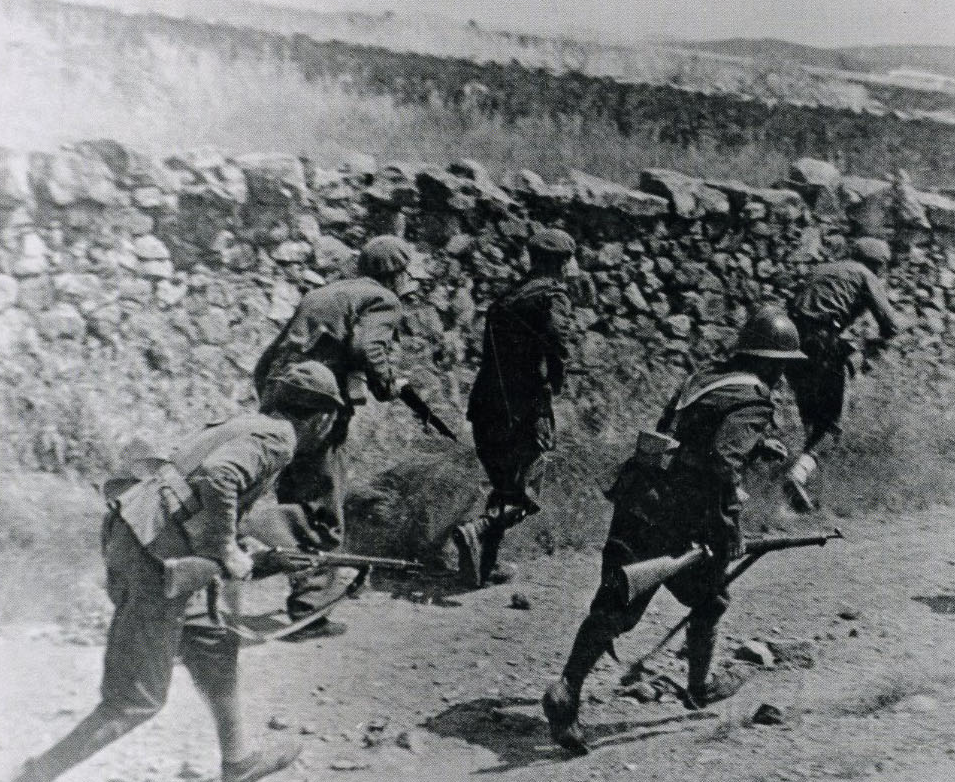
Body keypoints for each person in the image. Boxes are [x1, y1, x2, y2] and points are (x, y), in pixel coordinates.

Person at [0, 362, 344, 782]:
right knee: (135, 700)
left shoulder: (246, 425)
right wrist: (227, 549)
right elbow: (220, 478)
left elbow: (194, 494)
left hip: (143, 541)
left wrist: (253, 550)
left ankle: (238, 763)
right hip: (154, 560)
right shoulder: (280, 440)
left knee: (212, 641)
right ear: (322, 418)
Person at [542, 306, 804, 755]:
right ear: (769, 362)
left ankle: (567, 688)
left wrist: (757, 443)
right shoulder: (753, 401)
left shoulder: (707, 378)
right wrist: (728, 528)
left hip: (641, 496)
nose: (782, 376)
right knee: (710, 599)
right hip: (682, 517)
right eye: (780, 365)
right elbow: (723, 463)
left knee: (617, 603)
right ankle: (700, 687)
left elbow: (688, 432)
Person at [253, 235, 446, 638]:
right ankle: (310, 610)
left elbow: (268, 358)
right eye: (408, 275)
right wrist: (388, 383)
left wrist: (274, 401)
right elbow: (366, 348)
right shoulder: (382, 299)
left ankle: (294, 574)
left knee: (295, 493)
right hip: (319, 404)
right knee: (323, 499)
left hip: (281, 395)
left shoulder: (325, 293)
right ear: (397, 273)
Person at [452, 228, 578, 589]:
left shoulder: (506, 298)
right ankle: (477, 530)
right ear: (563, 263)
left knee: (504, 486)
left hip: (486, 405)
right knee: (525, 493)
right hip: (524, 409)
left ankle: (485, 566)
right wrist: (557, 376)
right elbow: (557, 337)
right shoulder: (551, 295)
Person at [782, 236, 903, 511]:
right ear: (879, 264)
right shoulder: (865, 275)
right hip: (823, 342)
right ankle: (797, 475)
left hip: (790, 342)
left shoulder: (823, 269)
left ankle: (799, 495)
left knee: (811, 416)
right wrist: (871, 347)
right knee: (831, 425)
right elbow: (891, 326)